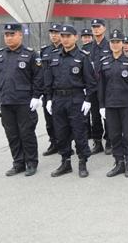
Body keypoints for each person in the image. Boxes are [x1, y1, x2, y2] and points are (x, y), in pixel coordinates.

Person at [0, 23, 43, 176]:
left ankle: (31, 162)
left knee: (26, 133)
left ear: (20, 35)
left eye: (12, 34)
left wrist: (36, 96)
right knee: (12, 134)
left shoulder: (31, 54)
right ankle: (18, 162)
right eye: (6, 35)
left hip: (24, 102)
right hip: (5, 101)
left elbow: (38, 77)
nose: (8, 37)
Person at [43, 25, 96, 178]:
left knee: (79, 132)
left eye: (68, 36)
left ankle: (82, 162)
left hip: (76, 99)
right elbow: (48, 80)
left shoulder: (82, 56)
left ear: (75, 37)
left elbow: (91, 83)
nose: (65, 39)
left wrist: (87, 100)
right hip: (58, 99)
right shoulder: (54, 56)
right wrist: (48, 99)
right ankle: (65, 162)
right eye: (63, 36)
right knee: (61, 133)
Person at [98, 29, 128, 177]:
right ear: (110, 44)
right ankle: (119, 163)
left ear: (123, 44)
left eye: (118, 42)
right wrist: (101, 105)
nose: (115, 44)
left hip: (126, 105)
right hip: (110, 106)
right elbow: (101, 86)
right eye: (113, 42)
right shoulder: (104, 62)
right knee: (114, 136)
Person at [88, 18, 111, 155]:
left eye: (98, 26)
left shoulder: (109, 46)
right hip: (93, 87)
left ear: (104, 28)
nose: (96, 29)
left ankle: (110, 141)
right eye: (94, 27)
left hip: (107, 87)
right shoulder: (89, 48)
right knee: (95, 115)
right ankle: (97, 142)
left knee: (107, 115)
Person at [39, 23, 62, 156]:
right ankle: (53, 143)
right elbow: (41, 72)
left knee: (63, 120)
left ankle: (65, 144)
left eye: (56, 33)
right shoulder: (45, 51)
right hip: (47, 91)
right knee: (49, 120)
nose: (54, 35)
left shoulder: (66, 49)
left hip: (60, 89)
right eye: (52, 33)